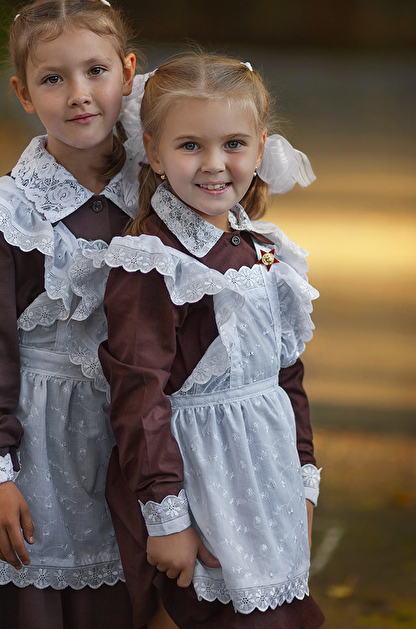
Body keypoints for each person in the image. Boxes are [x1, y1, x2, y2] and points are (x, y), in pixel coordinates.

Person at [0, 0, 150, 629]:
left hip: (134, 451)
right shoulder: (4, 215)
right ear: (23, 93)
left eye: (96, 71)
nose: (79, 94)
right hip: (34, 455)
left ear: (128, 72)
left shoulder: (161, 194)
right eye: (53, 79)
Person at [92, 52, 325, 629]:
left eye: (234, 144)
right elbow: (138, 396)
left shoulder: (265, 249)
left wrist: (303, 483)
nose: (215, 164)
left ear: (260, 146)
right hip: (201, 485)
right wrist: (167, 517)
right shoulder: (153, 264)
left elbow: (285, 377)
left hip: (269, 483)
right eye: (191, 146)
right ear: (154, 151)